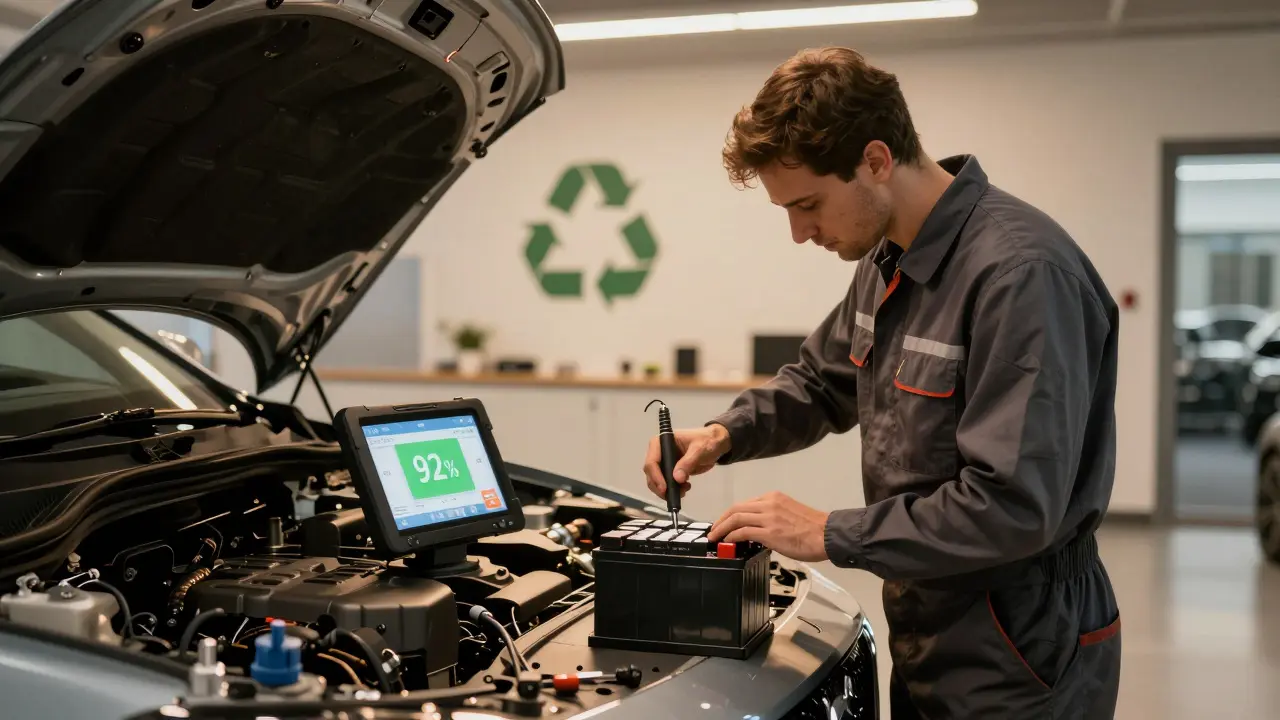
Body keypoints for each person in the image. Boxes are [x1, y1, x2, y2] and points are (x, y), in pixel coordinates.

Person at [642, 46, 1122, 719]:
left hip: (1022, 638)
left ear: (874, 161)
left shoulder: (1021, 276)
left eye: (808, 204)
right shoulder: (886, 261)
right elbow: (822, 381)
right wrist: (726, 433)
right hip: (928, 615)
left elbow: (1012, 507)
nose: (799, 233)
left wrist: (830, 532)